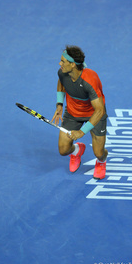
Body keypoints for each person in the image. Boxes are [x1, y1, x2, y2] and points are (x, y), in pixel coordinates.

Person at [51, 45, 108, 179]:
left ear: (72, 64)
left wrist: (82, 131)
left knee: (99, 152)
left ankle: (101, 162)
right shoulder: (62, 72)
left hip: (94, 114)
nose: (60, 64)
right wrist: (59, 104)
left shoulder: (90, 79)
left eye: (63, 62)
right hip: (72, 113)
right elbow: (61, 83)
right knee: (63, 150)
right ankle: (77, 150)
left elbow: (99, 110)